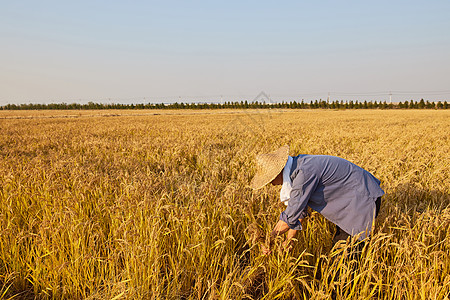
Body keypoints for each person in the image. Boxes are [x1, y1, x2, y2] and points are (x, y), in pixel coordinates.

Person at [250, 145, 384, 253]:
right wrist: (289, 240)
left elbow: (290, 217)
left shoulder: (303, 173)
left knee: (344, 259)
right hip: (351, 204)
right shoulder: (298, 168)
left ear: (278, 172)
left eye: (270, 179)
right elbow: (299, 211)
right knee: (342, 251)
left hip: (361, 201)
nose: (271, 184)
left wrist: (269, 240)